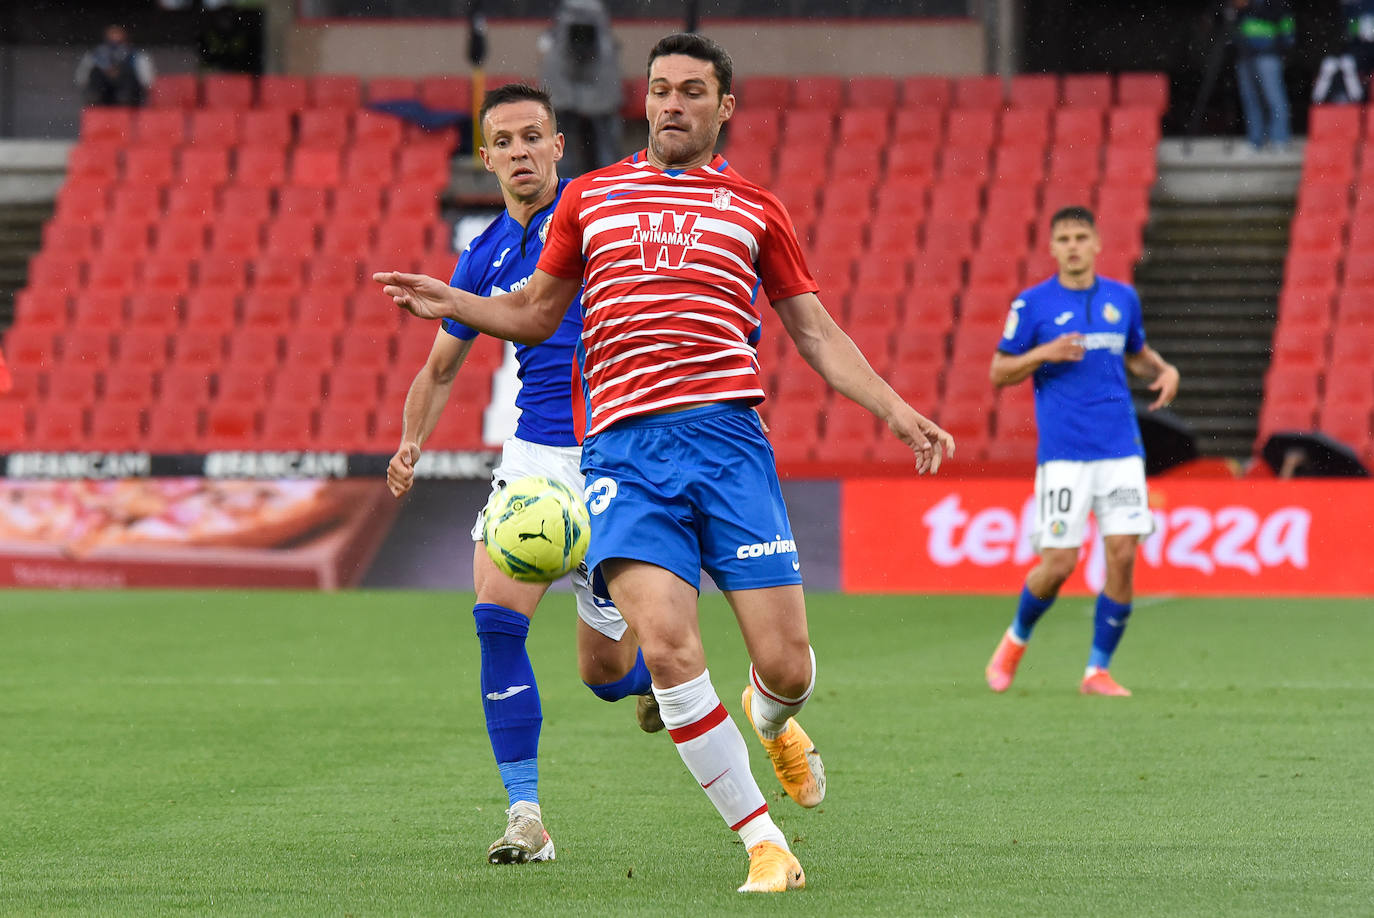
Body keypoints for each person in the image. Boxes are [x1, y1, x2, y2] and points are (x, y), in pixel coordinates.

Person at [376, 32, 954, 894]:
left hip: (728, 447)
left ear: (724, 107)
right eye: (658, 89)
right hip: (622, 455)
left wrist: (898, 411)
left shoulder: (759, 208)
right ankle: (763, 843)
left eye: (691, 90)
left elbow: (816, 334)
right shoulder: (594, 202)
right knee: (671, 651)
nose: (671, 103)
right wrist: (453, 300)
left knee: (788, 665)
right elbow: (536, 315)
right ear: (641, 101)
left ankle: (772, 716)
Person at [385, 83, 659, 867]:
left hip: (614, 459)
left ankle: (647, 683)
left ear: (559, 145)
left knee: (601, 673)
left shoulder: (603, 217)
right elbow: (440, 371)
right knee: (496, 623)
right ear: (486, 157)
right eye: (503, 141)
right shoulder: (482, 254)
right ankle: (525, 816)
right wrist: (411, 443)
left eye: (532, 137)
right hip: (534, 463)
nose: (519, 153)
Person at [984, 206, 1181, 698]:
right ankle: (1015, 638)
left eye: (1081, 237)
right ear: (1052, 248)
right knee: (1059, 564)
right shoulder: (1032, 306)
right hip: (1065, 456)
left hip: (1120, 448)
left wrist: (1164, 369)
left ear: (1097, 244)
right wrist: (1042, 355)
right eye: (1064, 238)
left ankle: (1097, 670)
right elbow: (998, 371)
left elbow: (1134, 352)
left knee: (1122, 554)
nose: (1073, 246)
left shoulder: (1122, 298)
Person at [538, 0, 623, 176]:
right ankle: (610, 189)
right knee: (605, 148)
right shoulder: (603, 37)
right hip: (598, 95)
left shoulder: (560, 32)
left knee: (561, 147)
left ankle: (563, 192)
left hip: (565, 94)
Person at [1232, 0, 1296, 150]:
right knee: (1250, 99)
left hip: (1268, 54)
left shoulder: (1272, 4)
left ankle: (1280, 139)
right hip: (1244, 54)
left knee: (1274, 97)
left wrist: (1252, 5)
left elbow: (1286, 25)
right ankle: (1255, 140)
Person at [75, 25, 155, 107]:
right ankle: (96, 97)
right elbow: (83, 75)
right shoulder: (95, 54)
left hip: (130, 95)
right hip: (104, 93)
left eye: (117, 33)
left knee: (128, 76)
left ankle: (124, 98)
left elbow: (147, 79)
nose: (115, 37)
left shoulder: (136, 55)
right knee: (96, 73)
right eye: (112, 34)